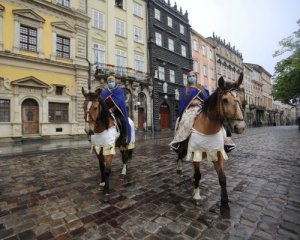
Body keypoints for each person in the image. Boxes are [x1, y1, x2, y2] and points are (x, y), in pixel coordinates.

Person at [170, 71, 209, 152]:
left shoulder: (201, 87)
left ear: (196, 77)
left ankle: (225, 140)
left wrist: (201, 101)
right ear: (187, 79)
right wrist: (192, 102)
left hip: (202, 107)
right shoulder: (185, 89)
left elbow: (207, 98)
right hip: (191, 109)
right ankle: (179, 142)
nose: (191, 77)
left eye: (193, 76)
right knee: (186, 120)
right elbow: (183, 101)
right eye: (190, 76)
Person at [100, 75, 131, 146]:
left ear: (114, 81)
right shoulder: (104, 91)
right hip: (106, 110)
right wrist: (106, 109)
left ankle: (124, 137)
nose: (111, 83)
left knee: (123, 120)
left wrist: (113, 109)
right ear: (107, 82)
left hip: (117, 110)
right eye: (109, 81)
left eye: (112, 81)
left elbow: (120, 101)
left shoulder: (119, 90)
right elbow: (101, 101)